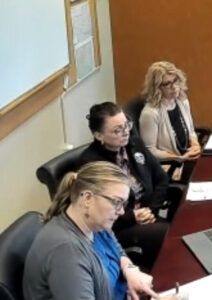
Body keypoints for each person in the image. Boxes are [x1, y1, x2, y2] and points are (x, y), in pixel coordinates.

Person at [23, 162, 182, 300]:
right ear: (87, 199)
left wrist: (130, 270)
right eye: (117, 202)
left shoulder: (92, 221)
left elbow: (116, 250)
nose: (121, 212)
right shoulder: (66, 251)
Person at [78, 102, 172, 271]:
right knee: (169, 236)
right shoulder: (93, 163)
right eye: (117, 130)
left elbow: (161, 178)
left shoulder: (133, 144)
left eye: (126, 125)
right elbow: (98, 213)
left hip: (147, 213)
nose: (125, 132)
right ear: (99, 135)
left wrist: (151, 209)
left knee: (177, 228)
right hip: (119, 227)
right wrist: (133, 217)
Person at [139, 61, 201, 162]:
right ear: (157, 88)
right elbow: (150, 150)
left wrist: (195, 145)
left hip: (189, 158)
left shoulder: (182, 101)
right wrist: (178, 158)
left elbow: (191, 131)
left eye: (175, 80)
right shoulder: (150, 114)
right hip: (171, 166)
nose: (174, 86)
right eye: (167, 84)